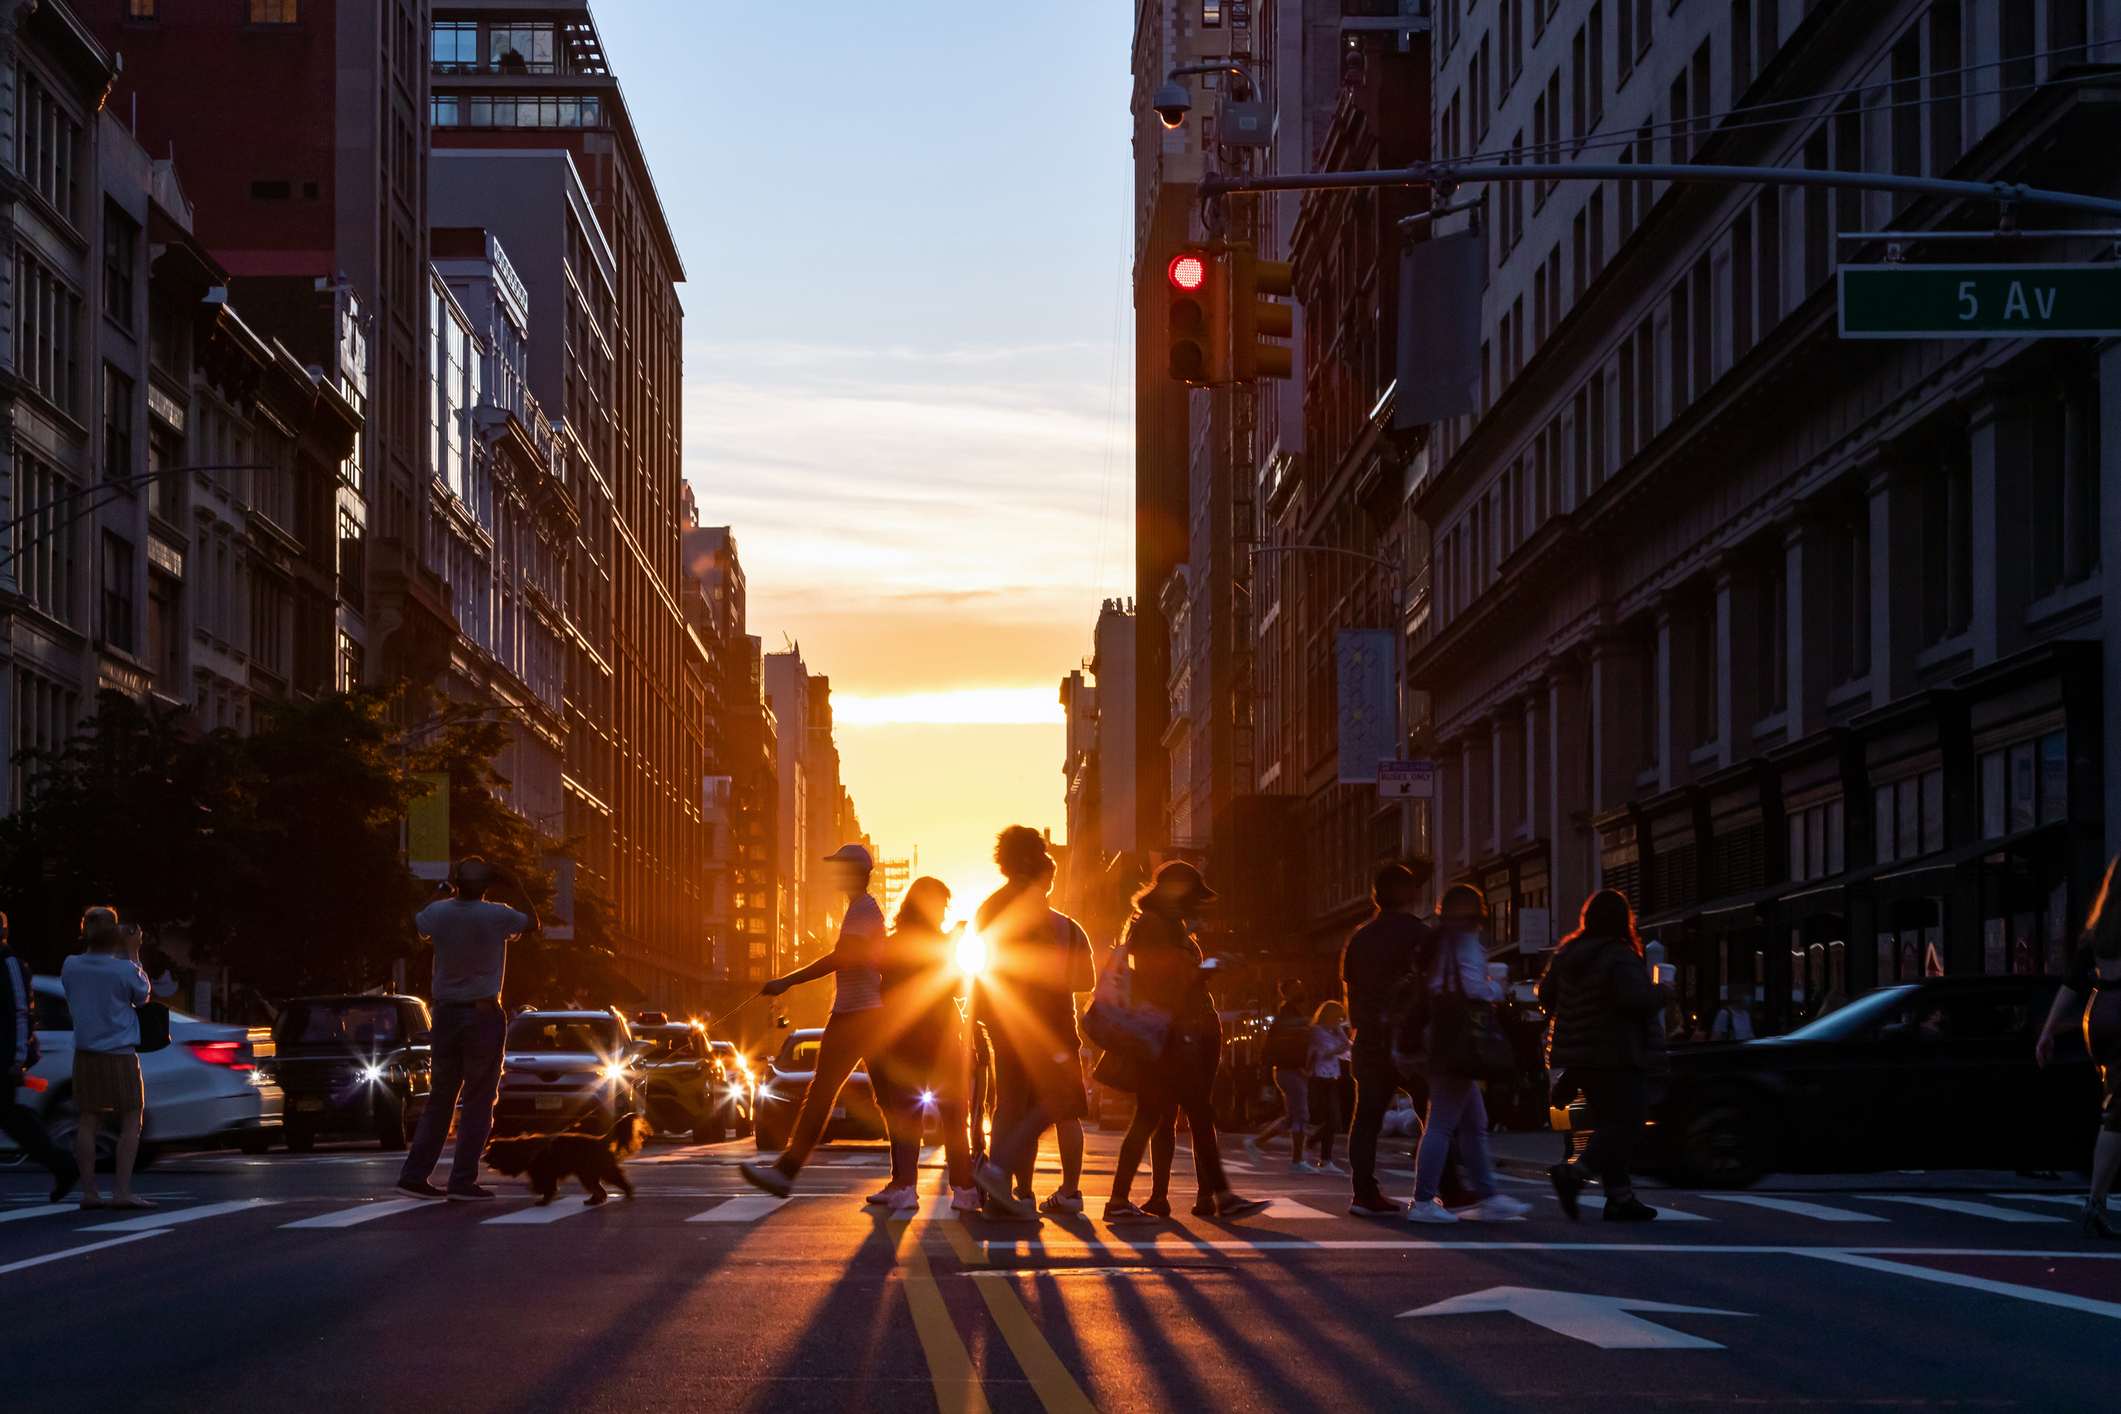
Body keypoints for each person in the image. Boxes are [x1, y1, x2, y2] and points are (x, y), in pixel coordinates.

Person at [1103, 860, 1269, 1223]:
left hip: (1178, 1034)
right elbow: (1164, 978)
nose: (1197, 904)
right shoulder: (1155, 925)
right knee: (1183, 1113)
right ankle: (1217, 1195)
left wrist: (1206, 966)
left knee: (1165, 1115)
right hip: (1174, 1035)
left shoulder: (1163, 924)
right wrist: (1209, 967)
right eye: (1193, 896)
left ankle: (1135, 1198)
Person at [741, 844, 889, 1199]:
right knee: (888, 1099)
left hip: (857, 1015)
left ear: (855, 872)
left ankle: (787, 1171)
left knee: (824, 1094)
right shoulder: (860, 908)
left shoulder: (863, 910)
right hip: (866, 1014)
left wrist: (787, 980)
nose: (834, 873)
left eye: (839, 867)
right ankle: (905, 1181)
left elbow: (841, 957)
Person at [969, 827, 1096, 1222]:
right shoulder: (1049, 916)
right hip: (1048, 1026)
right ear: (1029, 860)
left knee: (1010, 1105)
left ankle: (1007, 1192)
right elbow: (1080, 980)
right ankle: (1001, 1176)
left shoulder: (987, 907)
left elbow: (984, 967)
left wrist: (976, 1018)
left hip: (1003, 1020)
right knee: (1058, 1104)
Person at [396, 857, 533, 1201]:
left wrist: (443, 887)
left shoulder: (440, 913)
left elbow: (417, 919)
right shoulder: (497, 914)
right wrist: (514, 882)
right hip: (483, 1015)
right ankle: (461, 1181)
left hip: (444, 1015)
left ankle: (414, 1176)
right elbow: (532, 922)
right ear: (489, 883)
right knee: (478, 1101)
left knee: (440, 1099)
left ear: (458, 881)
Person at [1539, 888, 1676, 1223]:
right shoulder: (1619, 954)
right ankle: (1576, 1173)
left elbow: (1545, 995)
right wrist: (1663, 992)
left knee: (1608, 1124)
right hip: (1618, 1052)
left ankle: (1619, 1196)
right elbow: (1634, 1000)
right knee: (1628, 1121)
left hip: (1581, 1056)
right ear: (1622, 919)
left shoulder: (1568, 952)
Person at [1405, 886, 1531, 1224]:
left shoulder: (1437, 944)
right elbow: (1475, 989)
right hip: (1461, 1041)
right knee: (1443, 1124)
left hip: (1442, 1037)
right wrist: (1498, 988)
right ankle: (1422, 1201)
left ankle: (1487, 1196)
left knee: (1473, 1123)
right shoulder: (1465, 945)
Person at [872, 875, 978, 1213]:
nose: (944, 912)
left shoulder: (892, 942)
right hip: (942, 1036)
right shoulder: (940, 943)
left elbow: (885, 988)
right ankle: (963, 1188)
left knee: (908, 1116)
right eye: (941, 905)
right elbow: (959, 989)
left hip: (903, 1038)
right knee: (952, 1116)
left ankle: (906, 1187)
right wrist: (953, 941)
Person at [1342, 862, 1434, 1217]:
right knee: (1435, 1114)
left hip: (1368, 1036)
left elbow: (1351, 991)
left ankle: (1363, 1192)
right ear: (1411, 894)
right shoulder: (1422, 935)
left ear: (1376, 896)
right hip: (1411, 1039)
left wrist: (1358, 1028)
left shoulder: (1359, 938)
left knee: (1366, 1117)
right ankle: (1443, 1188)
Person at [2035, 857, 2121, 1239]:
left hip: (2099, 1011)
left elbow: (2071, 982)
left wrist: (2048, 1030)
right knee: (2117, 1114)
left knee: (2116, 1105)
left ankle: (2097, 1199)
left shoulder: (2098, 931)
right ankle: (2096, 1201)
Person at [61, 908, 153, 1210]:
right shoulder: (124, 970)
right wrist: (133, 952)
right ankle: (121, 1191)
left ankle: (90, 1193)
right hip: (120, 1054)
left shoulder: (71, 966)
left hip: (85, 1053)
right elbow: (143, 996)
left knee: (88, 1120)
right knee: (130, 1117)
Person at [2, 912, 78, 1201]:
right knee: (10, 1116)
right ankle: (60, 1162)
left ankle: (61, 1162)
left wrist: (18, 1058)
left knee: (10, 1116)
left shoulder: (9, 963)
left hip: (4, 1056)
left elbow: (21, 1012)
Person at [1245, 978, 1312, 1168]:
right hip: (1291, 1071)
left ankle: (1257, 1142)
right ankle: (1297, 1161)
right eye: (1297, 989)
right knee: (1301, 1116)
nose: (1302, 992)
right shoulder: (1290, 1016)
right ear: (1288, 993)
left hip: (1286, 1071)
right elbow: (1291, 1048)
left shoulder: (1287, 1014)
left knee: (1292, 1116)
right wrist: (1301, 1068)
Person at [1305, 1001, 1354, 1175]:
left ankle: (1320, 1153)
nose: (1340, 1019)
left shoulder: (1334, 1031)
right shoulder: (1316, 1030)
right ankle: (1322, 1157)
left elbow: (1348, 1045)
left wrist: (1339, 1031)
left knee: (1334, 1122)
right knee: (1331, 1120)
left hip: (1332, 1077)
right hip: (1319, 1077)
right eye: (1338, 1016)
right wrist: (1334, 1051)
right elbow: (1316, 1054)